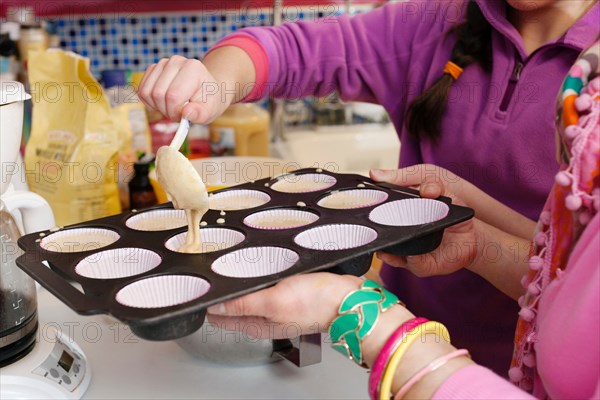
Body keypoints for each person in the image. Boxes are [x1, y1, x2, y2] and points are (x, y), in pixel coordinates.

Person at [138, 0, 599, 375]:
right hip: (395, 354)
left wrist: (480, 246)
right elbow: (287, 50)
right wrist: (215, 82)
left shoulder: (588, 89)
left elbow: (581, 288)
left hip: (537, 375)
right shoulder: (438, 21)